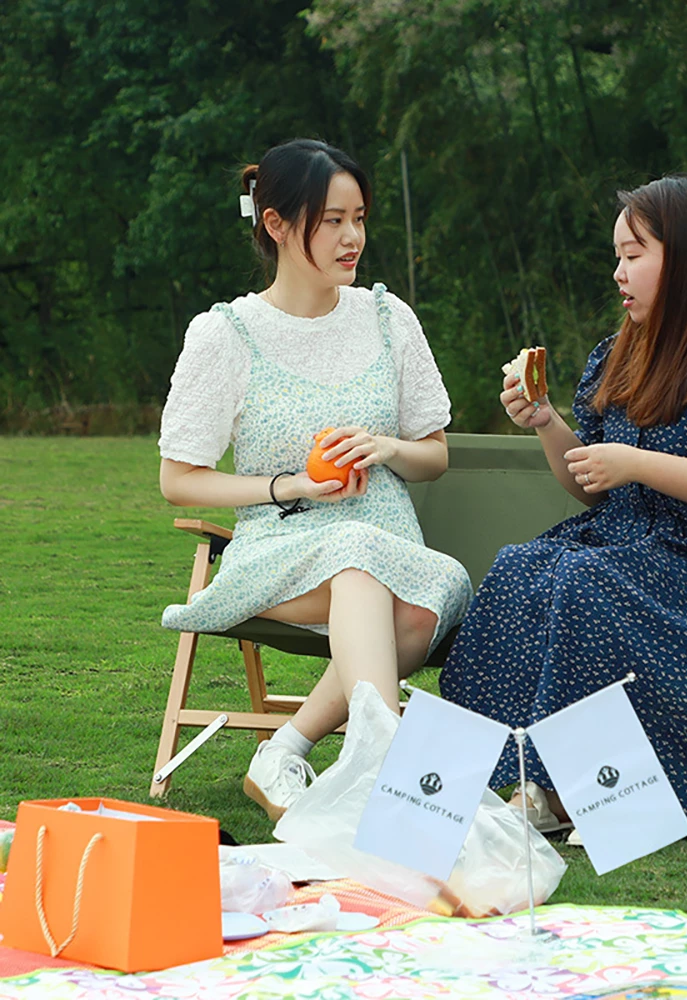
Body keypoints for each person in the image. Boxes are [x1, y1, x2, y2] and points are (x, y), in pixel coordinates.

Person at [439, 173, 687, 840]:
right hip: (621, 543)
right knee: (519, 569)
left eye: (633, 254)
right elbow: (590, 483)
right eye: (617, 256)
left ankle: (578, 793)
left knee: (584, 581)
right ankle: (469, 783)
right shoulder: (623, 351)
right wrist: (543, 420)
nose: (618, 272)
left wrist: (638, 464)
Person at [158, 139, 472, 821]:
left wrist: (387, 446)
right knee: (357, 563)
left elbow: (435, 455)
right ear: (275, 224)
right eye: (332, 220)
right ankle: (390, 778)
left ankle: (285, 752)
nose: (352, 237)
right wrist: (290, 485)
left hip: (389, 541)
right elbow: (180, 480)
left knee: (429, 590)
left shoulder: (389, 320)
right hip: (281, 545)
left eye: (359, 217)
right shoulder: (226, 335)